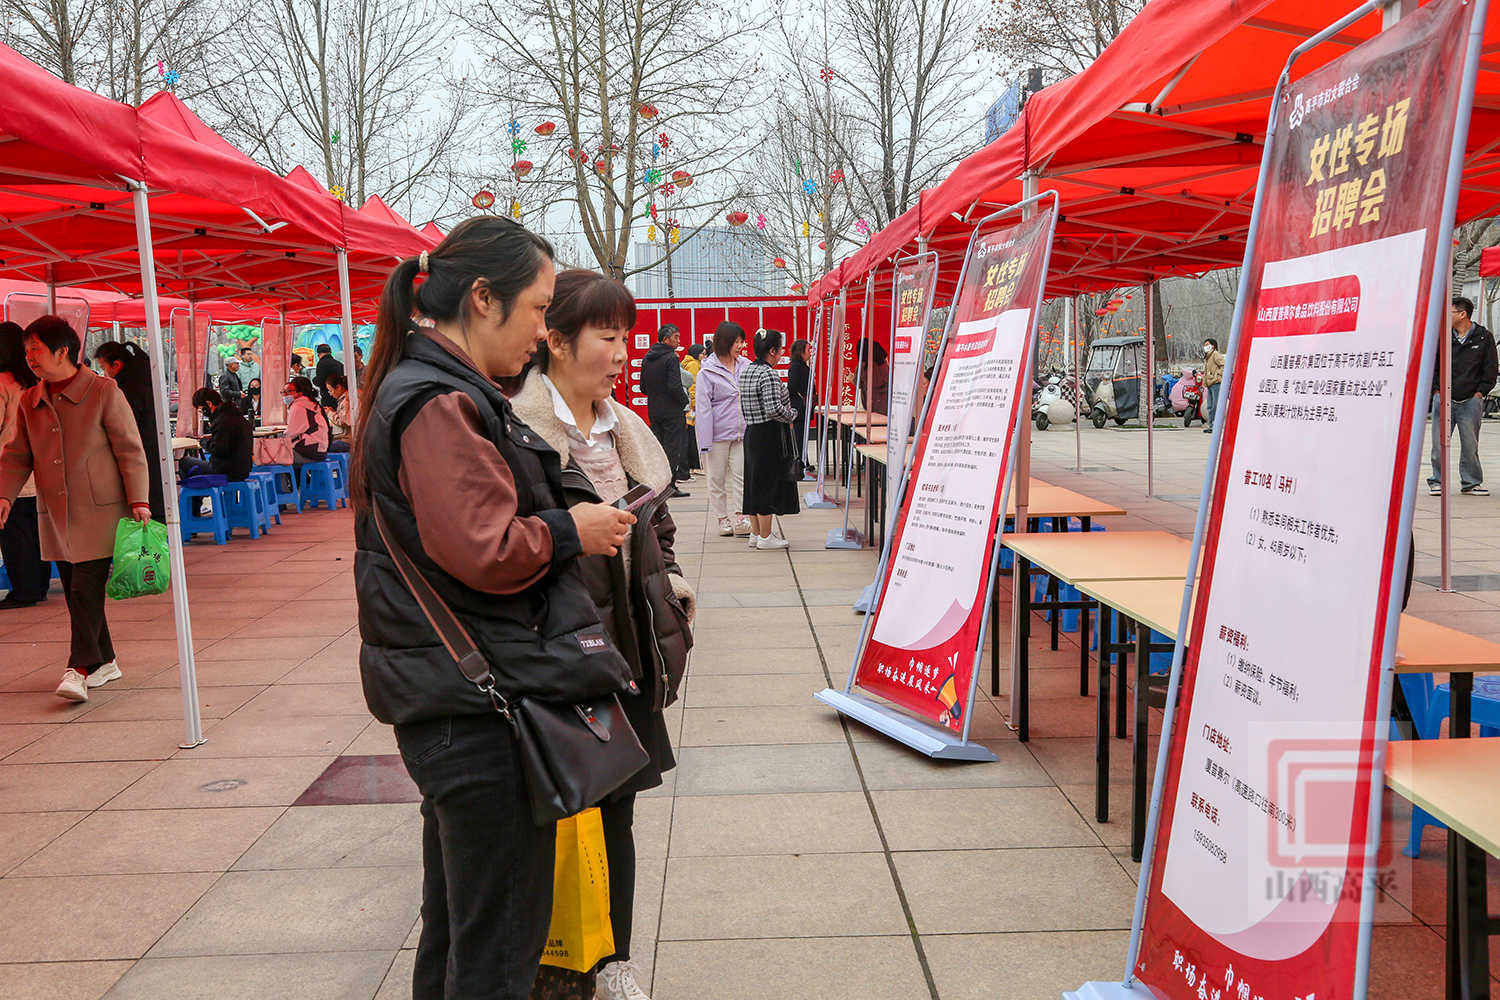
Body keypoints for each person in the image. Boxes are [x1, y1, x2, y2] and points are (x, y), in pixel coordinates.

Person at [350, 217, 637, 1000]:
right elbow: (485, 548)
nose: (542, 330)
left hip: (456, 697)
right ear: (483, 298)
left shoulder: (435, 389)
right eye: (538, 308)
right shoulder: (439, 401)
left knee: (461, 933)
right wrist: (570, 530)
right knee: (497, 948)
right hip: (478, 711)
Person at [509, 269, 694, 1000]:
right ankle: (554, 968)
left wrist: (671, 585)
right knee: (556, 817)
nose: (621, 353)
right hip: (559, 656)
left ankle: (613, 963)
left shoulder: (627, 432)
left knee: (619, 812)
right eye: (607, 337)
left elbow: (660, 527)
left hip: (628, 653)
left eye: (625, 337)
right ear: (556, 341)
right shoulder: (518, 432)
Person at [0, 316, 150, 702]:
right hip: (56, 514)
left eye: (35, 349)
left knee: (84, 589)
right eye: (26, 350)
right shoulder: (30, 401)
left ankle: (78, 668)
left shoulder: (103, 391)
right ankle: (105, 661)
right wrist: (4, 495)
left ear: (62, 351)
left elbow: (129, 448)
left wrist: (139, 499)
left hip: (101, 512)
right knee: (73, 590)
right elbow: (17, 455)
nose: (29, 357)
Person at [0, 321, 48, 609]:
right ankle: (38, 586)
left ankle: (25, 591)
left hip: (10, 471)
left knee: (15, 534)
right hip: (39, 469)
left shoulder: (2, 383)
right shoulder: (35, 381)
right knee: (35, 533)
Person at [1430, 296, 1498, 496]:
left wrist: (1480, 392)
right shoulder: (1442, 337)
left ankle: (1471, 483)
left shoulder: (1484, 337)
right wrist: (1436, 390)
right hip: (1443, 398)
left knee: (1470, 444)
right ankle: (1437, 481)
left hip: (1471, 401)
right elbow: (1432, 365)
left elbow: (1490, 368)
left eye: (1449, 312)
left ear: (1462, 314)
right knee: (1438, 444)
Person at [738, 328, 799, 549]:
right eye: (780, 349)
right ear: (772, 351)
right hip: (768, 434)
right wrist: (792, 414)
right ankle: (766, 536)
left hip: (752, 432)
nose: (782, 353)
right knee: (766, 483)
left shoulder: (746, 371)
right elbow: (773, 409)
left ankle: (756, 534)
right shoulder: (769, 374)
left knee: (753, 482)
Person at [93, 340, 166, 522]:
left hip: (142, 453)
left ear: (116, 365)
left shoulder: (127, 389)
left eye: (103, 368)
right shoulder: (144, 379)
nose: (104, 373)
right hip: (151, 450)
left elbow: (124, 429)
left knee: (149, 510)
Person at [696, 322, 751, 537]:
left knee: (742, 476)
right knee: (716, 479)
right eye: (736, 342)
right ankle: (722, 518)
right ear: (725, 342)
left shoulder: (745, 365)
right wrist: (704, 442)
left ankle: (742, 516)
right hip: (716, 436)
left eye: (741, 341)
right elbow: (703, 409)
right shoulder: (707, 371)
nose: (741, 346)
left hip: (742, 433)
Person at [640, 324, 690, 496]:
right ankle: (670, 487)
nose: (678, 341)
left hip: (654, 409)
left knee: (658, 448)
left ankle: (658, 485)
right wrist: (684, 401)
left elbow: (643, 387)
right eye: (676, 337)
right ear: (666, 339)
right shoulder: (671, 358)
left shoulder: (647, 357)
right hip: (672, 411)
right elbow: (675, 386)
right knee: (673, 449)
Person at [179, 387, 252, 484]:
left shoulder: (222, 421)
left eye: (201, 410)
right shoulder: (236, 416)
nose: (202, 413)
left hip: (226, 471)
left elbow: (218, 449)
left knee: (184, 462)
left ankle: (195, 492)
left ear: (209, 404)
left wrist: (203, 442)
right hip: (243, 470)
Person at [285, 375, 330, 474]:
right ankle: (300, 481)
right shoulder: (314, 404)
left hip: (310, 450)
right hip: (322, 450)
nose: (286, 395)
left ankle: (289, 485)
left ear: (298, 392)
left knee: (277, 457)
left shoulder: (298, 406)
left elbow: (291, 433)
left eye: (290, 391)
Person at [679, 342, 704, 476]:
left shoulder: (687, 363)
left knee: (690, 432)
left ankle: (691, 465)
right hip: (692, 407)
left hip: (690, 406)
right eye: (702, 353)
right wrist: (694, 404)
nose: (704, 356)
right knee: (692, 433)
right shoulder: (694, 364)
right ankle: (694, 465)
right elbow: (693, 386)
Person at [787, 338, 811, 467]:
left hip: (803, 405)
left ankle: (804, 460)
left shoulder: (802, 366)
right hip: (799, 406)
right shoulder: (796, 367)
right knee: (799, 435)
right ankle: (800, 462)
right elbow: (792, 387)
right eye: (808, 350)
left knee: (802, 435)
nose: (810, 353)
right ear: (801, 352)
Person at [1201, 337, 1225, 433]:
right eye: (1204, 345)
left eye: (1207, 345)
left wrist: (1218, 375)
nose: (1205, 347)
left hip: (1216, 383)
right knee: (1210, 406)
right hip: (1210, 383)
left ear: (1213, 346)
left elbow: (1224, 365)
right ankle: (1211, 426)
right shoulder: (1207, 356)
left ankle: (1215, 425)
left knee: (1215, 405)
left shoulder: (1215, 354)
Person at [313, 342, 344, 407]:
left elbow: (319, 381)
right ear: (330, 352)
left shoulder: (321, 363)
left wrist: (314, 379)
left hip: (328, 397)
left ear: (318, 354)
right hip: (340, 396)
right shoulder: (339, 364)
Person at [326, 374, 352, 452]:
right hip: (346, 437)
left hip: (348, 440)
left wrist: (330, 413)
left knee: (322, 448)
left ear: (338, 387)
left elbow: (344, 421)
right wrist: (333, 412)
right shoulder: (345, 398)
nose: (330, 394)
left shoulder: (347, 400)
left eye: (331, 391)